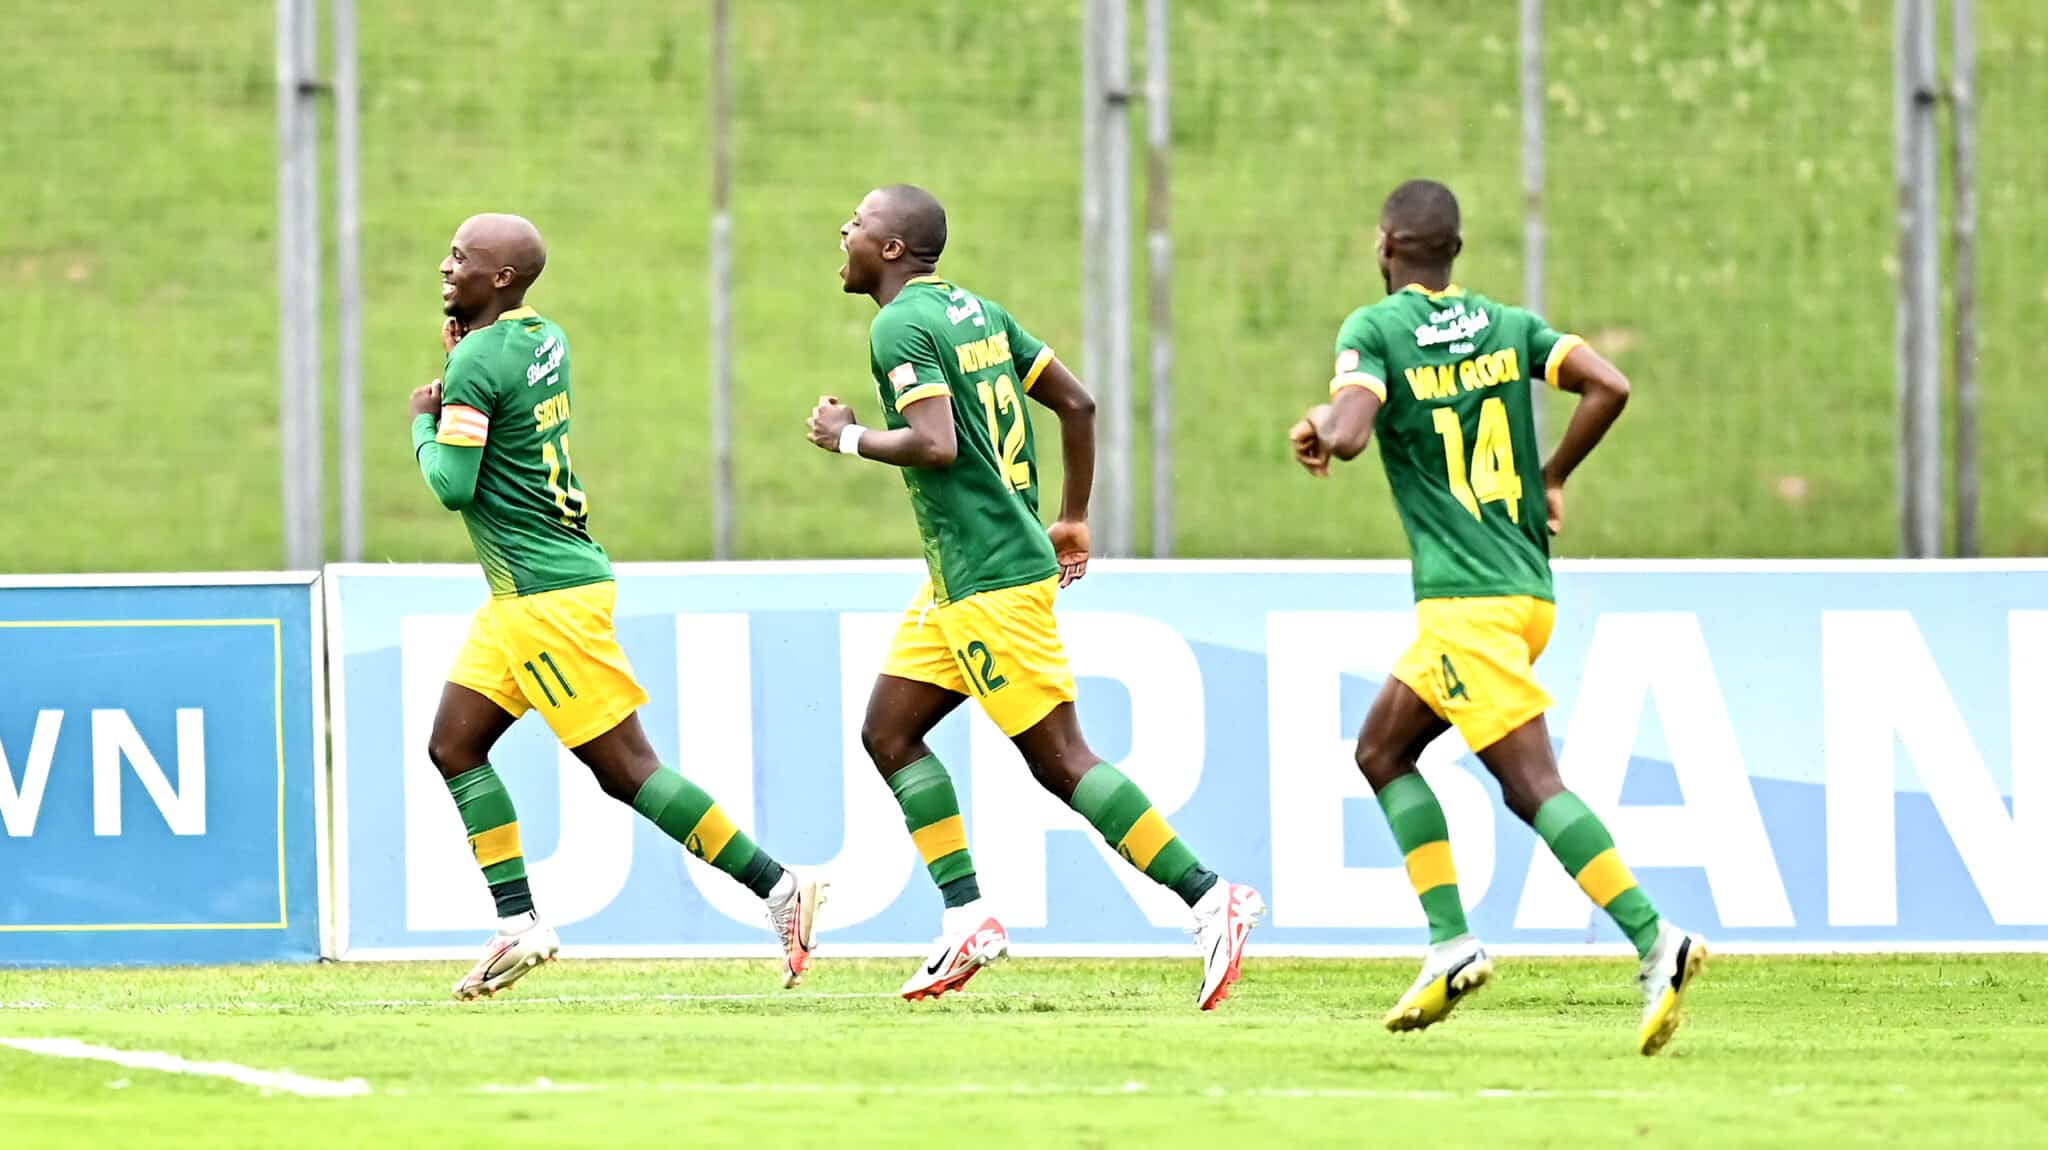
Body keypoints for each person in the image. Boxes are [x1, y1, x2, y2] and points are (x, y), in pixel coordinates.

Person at [807, 185, 1263, 1009]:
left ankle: (1209, 898)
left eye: (859, 220)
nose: (844, 228)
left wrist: (844, 436)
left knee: (1060, 761)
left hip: (990, 579)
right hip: (957, 576)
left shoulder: (898, 325)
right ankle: (966, 919)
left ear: (891, 250)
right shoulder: (977, 312)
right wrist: (1074, 517)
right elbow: (1076, 402)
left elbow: (935, 445)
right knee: (889, 730)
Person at [1288, 180, 1706, 1055]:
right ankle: (1452, 943)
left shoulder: (1375, 331)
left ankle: (1655, 937)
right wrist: (1553, 474)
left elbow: (1356, 430)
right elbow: (1608, 385)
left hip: (1467, 606)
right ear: (1456, 248)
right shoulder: (1507, 326)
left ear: (1386, 245)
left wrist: (1322, 425)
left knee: (1531, 787)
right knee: (1383, 751)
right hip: (1522, 593)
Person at [410, 213, 822, 1000]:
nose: (444, 265)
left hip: (546, 597)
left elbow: (452, 485)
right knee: (454, 745)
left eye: (460, 257)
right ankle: (518, 924)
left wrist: (423, 423)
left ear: (501, 278)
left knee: (627, 771)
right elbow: (501, 387)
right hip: (522, 595)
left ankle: (780, 889)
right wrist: (466, 353)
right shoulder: (542, 336)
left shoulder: (475, 367)